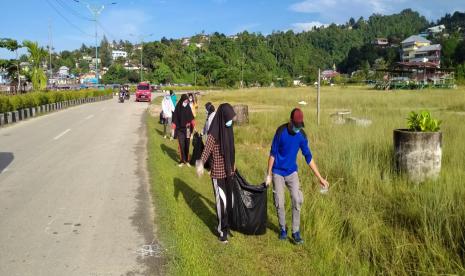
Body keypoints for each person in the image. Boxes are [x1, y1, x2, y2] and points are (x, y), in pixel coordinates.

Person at [265, 108, 329, 244]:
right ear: (290, 121)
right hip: (277, 172)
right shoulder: (280, 132)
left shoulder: (301, 136)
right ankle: (282, 228)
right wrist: (268, 174)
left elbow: (308, 157)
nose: (297, 129)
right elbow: (272, 154)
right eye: (296, 126)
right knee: (279, 202)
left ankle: (295, 232)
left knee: (297, 199)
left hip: (292, 172)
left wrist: (320, 178)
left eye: (300, 126)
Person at [196, 103, 236, 243]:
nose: (231, 121)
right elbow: (206, 150)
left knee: (230, 201)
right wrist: (201, 164)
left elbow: (232, 149)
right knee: (222, 203)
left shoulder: (228, 128)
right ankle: (222, 230)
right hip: (218, 173)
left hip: (229, 171)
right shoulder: (214, 133)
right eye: (230, 118)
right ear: (223, 117)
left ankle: (227, 225)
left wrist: (233, 164)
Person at [172, 94, 195, 167]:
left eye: (187, 101)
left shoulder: (188, 107)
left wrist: (193, 129)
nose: (186, 102)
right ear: (182, 100)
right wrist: (173, 130)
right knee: (181, 145)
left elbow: (192, 119)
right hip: (179, 129)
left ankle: (187, 160)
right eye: (185, 101)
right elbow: (174, 119)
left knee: (187, 144)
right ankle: (182, 161)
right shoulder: (178, 107)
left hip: (187, 128)